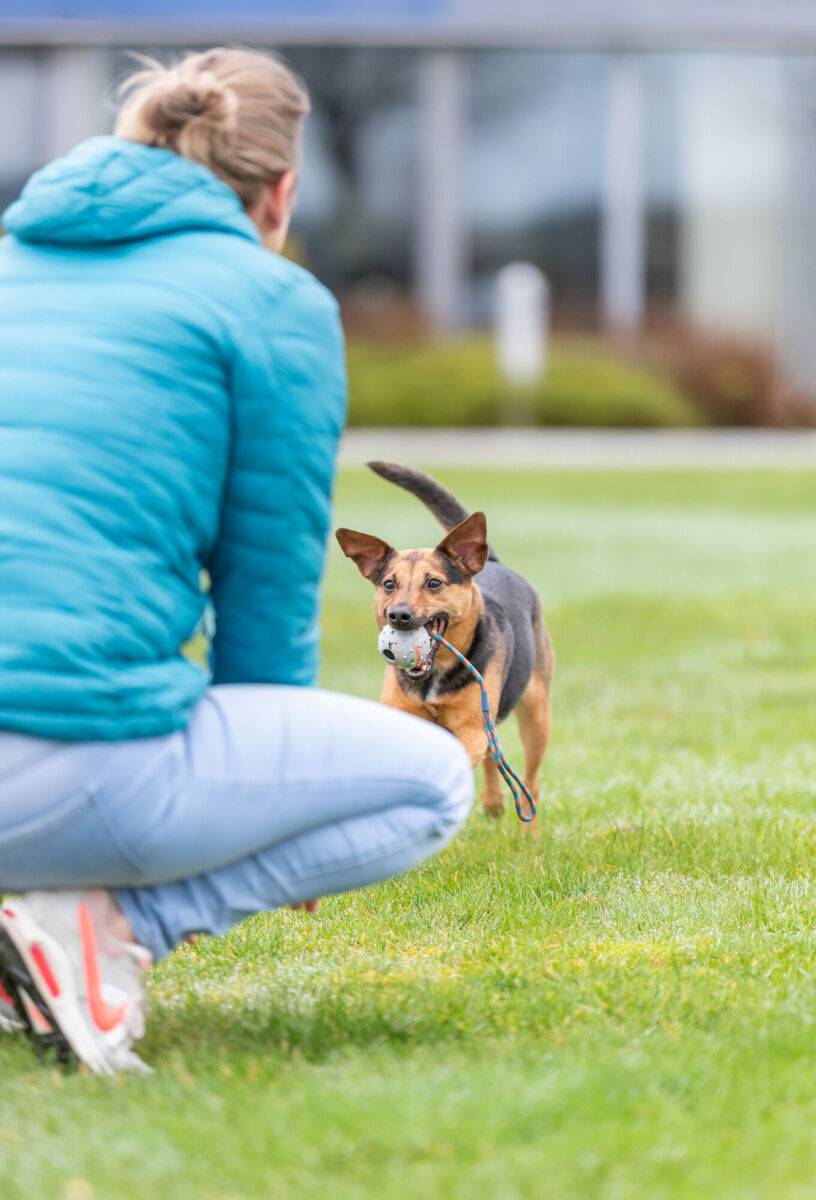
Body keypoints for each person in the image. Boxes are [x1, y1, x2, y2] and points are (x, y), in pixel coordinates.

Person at [0, 48, 473, 1075]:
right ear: (283, 192)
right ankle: (105, 935)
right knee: (433, 781)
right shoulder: (272, 306)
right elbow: (262, 619)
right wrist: (273, 795)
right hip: (41, 766)